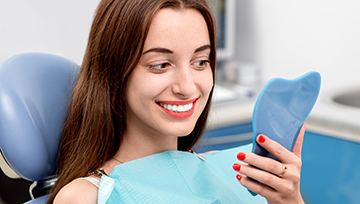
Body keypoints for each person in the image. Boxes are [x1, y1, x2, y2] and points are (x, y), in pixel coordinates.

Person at [48, 0, 305, 203]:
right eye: (160, 65)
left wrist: (290, 201)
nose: (187, 87)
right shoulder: (86, 197)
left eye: (200, 62)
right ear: (114, 73)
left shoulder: (230, 171)